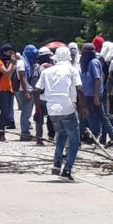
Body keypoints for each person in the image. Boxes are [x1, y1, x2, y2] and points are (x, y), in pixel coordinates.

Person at [35, 46, 89, 182]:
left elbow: (36, 90)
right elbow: (79, 89)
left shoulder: (47, 71)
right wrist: (85, 107)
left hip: (52, 109)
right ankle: (67, 170)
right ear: (69, 57)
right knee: (74, 141)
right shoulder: (72, 70)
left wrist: (38, 108)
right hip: (67, 108)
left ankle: (57, 162)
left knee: (62, 135)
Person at [80, 43, 113, 147]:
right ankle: (99, 135)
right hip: (89, 94)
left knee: (87, 115)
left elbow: (98, 79)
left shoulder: (93, 62)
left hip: (92, 95)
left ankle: (83, 137)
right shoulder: (88, 62)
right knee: (98, 116)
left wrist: (96, 96)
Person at [31, 47, 55, 145]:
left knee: (39, 118)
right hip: (51, 97)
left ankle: (39, 138)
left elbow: (35, 83)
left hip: (40, 97)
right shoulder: (53, 67)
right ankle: (51, 137)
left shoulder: (37, 68)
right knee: (52, 118)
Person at [15, 45, 38, 141]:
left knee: (27, 112)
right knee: (25, 112)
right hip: (23, 90)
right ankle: (24, 133)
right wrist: (26, 93)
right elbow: (21, 78)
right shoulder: (22, 62)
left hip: (27, 90)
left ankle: (26, 131)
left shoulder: (28, 62)